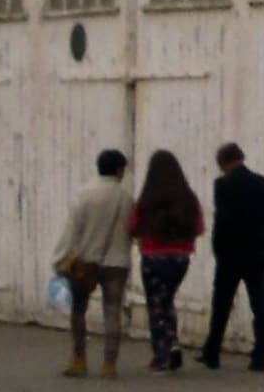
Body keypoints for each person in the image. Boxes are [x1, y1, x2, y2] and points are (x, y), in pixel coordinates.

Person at [47, 150, 137, 378]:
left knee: (78, 310)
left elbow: (72, 231)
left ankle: (79, 359)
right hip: (117, 263)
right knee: (112, 311)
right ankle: (109, 364)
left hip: (85, 262)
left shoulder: (84, 194)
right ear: (118, 170)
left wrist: (59, 259)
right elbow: (132, 231)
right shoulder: (126, 198)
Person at [200, 142, 264, 372]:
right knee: (260, 306)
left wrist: (218, 249)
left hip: (230, 254)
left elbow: (222, 221)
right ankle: (260, 356)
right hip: (257, 254)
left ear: (223, 163)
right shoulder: (262, 183)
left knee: (222, 305)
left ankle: (212, 352)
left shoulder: (223, 185)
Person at [130, 150, 202, 375]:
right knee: (167, 300)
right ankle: (172, 343)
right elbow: (198, 227)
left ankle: (163, 354)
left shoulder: (148, 200)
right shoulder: (188, 199)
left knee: (156, 305)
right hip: (180, 258)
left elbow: (133, 227)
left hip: (154, 256)